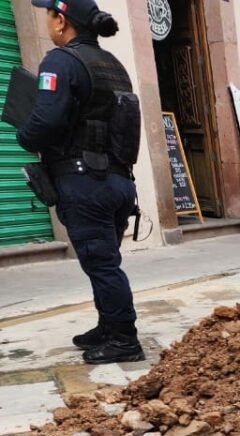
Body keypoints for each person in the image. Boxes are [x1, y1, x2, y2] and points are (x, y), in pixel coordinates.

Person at [18, 0, 143, 364]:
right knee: (104, 260)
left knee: (101, 264)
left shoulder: (60, 61)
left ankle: (123, 338)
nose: (47, 23)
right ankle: (108, 325)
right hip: (117, 182)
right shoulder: (113, 65)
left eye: (48, 16)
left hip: (85, 182)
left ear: (61, 20)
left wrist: (24, 137)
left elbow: (45, 121)